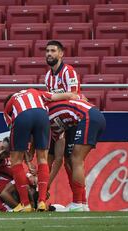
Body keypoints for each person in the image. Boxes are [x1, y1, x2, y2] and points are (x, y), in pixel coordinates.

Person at [3, 89, 78, 212]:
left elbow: (17, 136)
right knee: (43, 159)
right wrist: (78, 97)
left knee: (15, 161)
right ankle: (42, 201)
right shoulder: (35, 91)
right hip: (42, 116)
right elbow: (65, 95)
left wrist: (27, 161)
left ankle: (25, 204)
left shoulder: (8, 106)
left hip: (23, 116)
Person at [46, 98, 106, 211]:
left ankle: (77, 204)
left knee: (76, 160)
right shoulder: (48, 115)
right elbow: (59, 159)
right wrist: (47, 184)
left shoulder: (45, 115)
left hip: (88, 117)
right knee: (70, 161)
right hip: (92, 116)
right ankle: (83, 204)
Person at [44, 40, 82, 202]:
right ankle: (42, 193)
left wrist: (51, 97)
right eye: (47, 51)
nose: (49, 54)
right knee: (52, 159)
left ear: (61, 54)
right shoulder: (48, 76)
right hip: (58, 122)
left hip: (73, 120)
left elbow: (73, 96)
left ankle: (79, 201)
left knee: (72, 161)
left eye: (53, 51)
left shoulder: (68, 71)